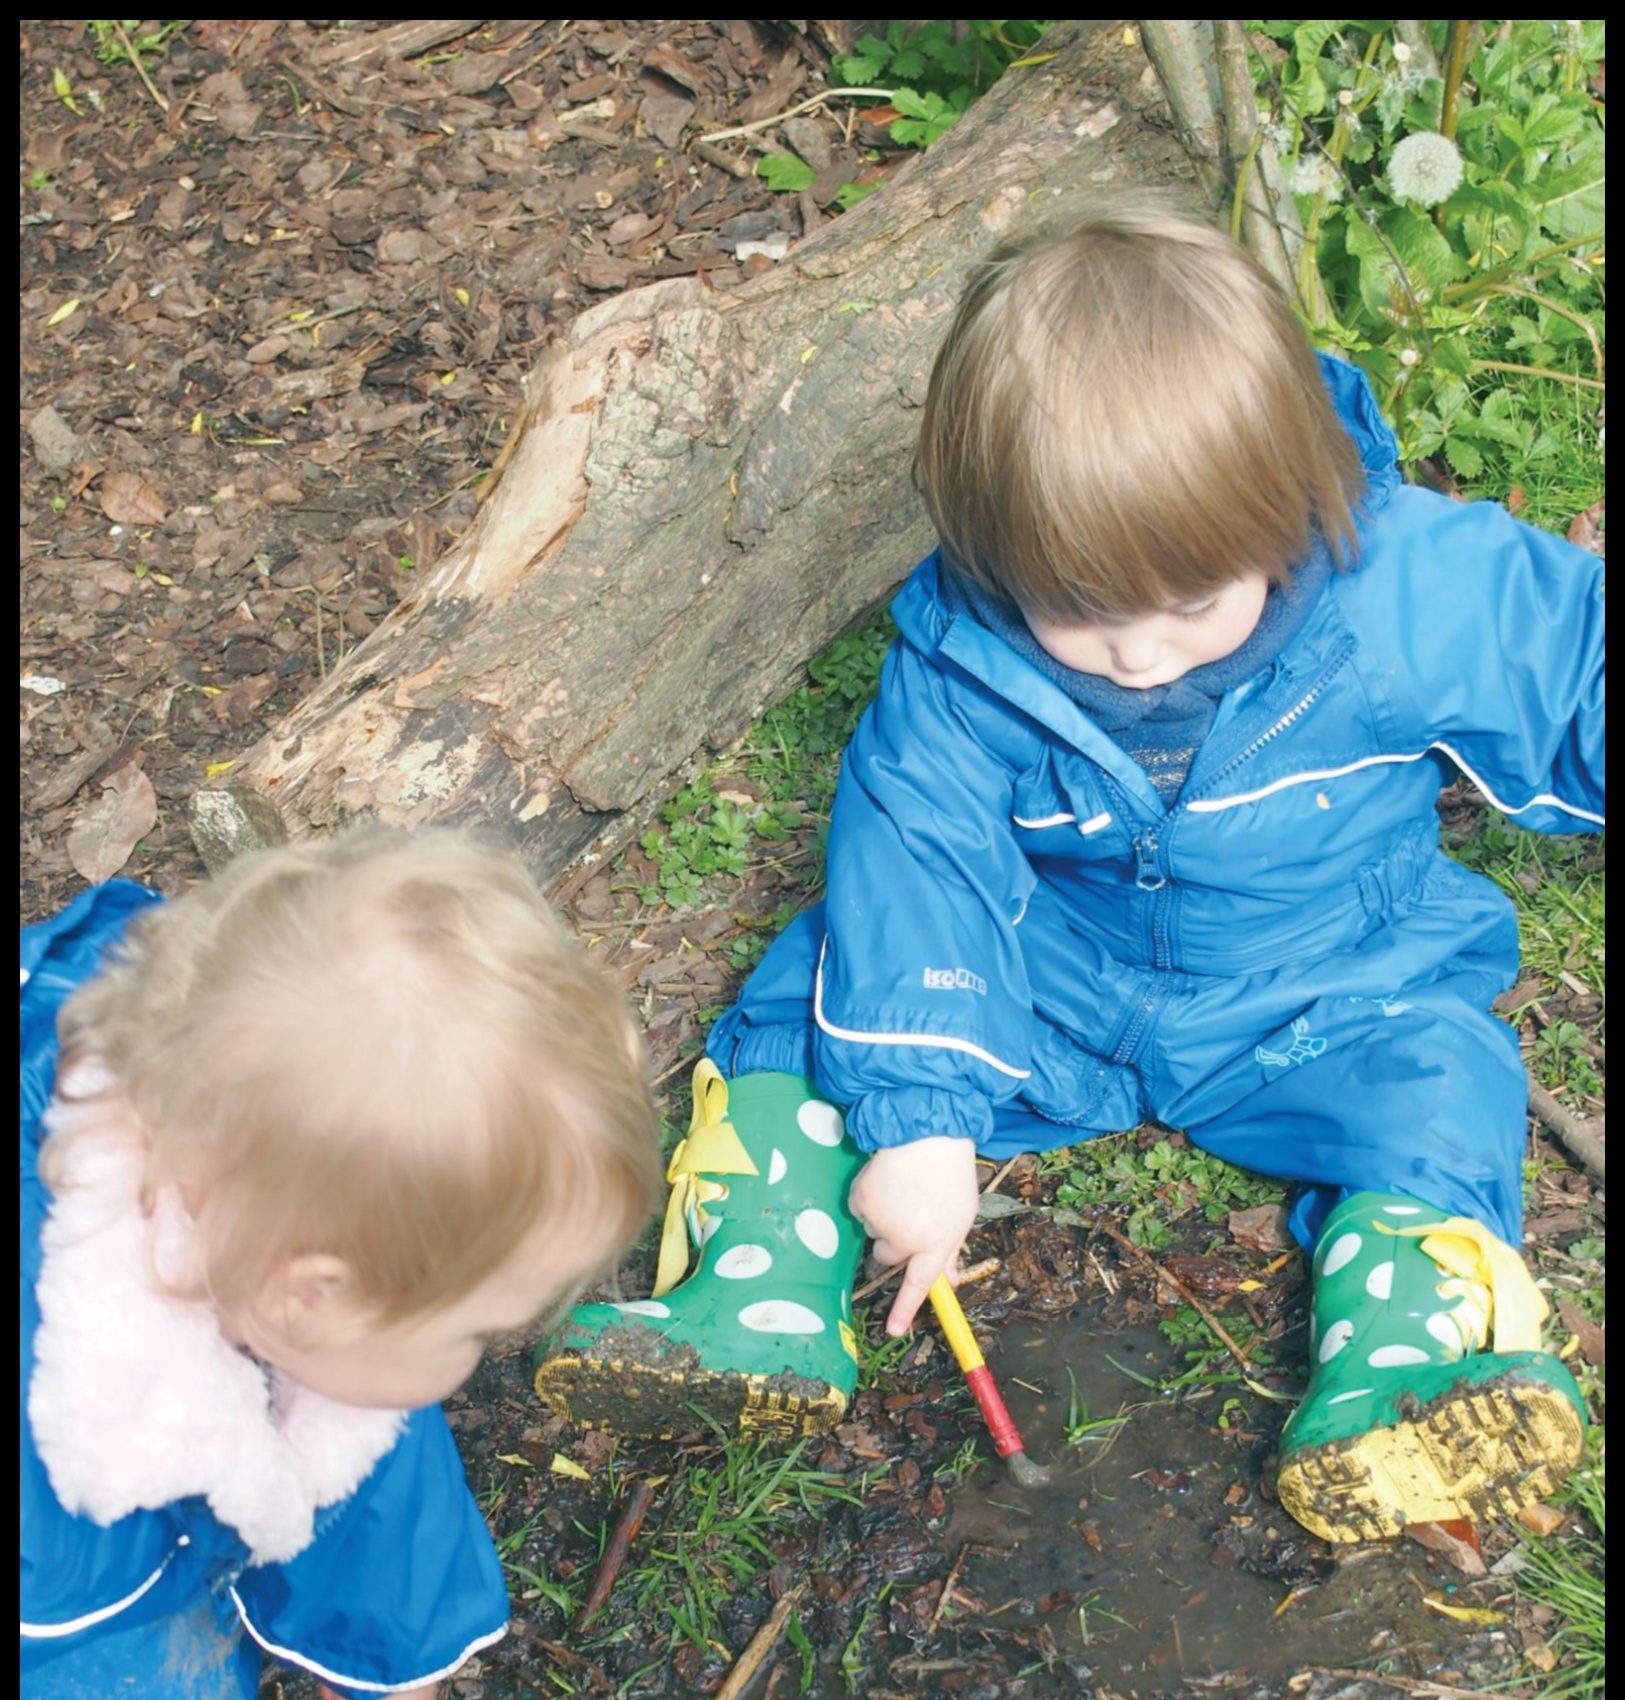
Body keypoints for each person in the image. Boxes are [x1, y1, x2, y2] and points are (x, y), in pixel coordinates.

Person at [538, 193, 1602, 1545]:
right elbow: (917, 856)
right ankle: (751, 1303)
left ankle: (1401, 1372)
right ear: (990, 553)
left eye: (1192, 605)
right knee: (816, 995)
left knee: (1438, 1083)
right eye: (1078, 616)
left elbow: (1572, 671)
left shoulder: (1399, 584)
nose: (1141, 655)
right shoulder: (960, 658)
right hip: (1049, 978)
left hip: (1325, 983)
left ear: (1292, 506)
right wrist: (922, 1119)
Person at [21, 829, 660, 1700]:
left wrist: (390, 1654)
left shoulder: (270, 1166)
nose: (484, 1355)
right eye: (479, 1332)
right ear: (311, 1289)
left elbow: (359, 1424)